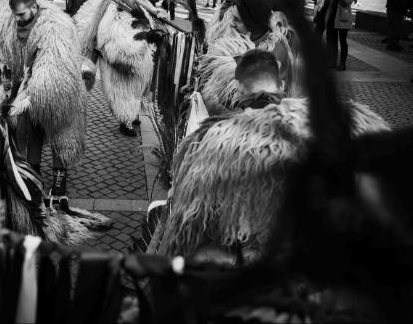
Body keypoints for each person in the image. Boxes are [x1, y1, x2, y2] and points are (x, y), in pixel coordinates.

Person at [156, 47, 389, 262]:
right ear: (282, 84)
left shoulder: (218, 144)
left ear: (238, 89)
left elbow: (189, 230)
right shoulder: (342, 126)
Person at [0, 0, 86, 197]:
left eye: (21, 15)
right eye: (15, 15)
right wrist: (3, 72)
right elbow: (0, 48)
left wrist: (28, 98)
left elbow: (53, 66)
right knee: (32, 132)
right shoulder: (10, 24)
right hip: (25, 89)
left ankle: (59, 177)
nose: (17, 19)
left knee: (60, 133)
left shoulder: (56, 27)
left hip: (59, 90)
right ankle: (32, 173)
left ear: (34, 7)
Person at [74, 0, 157, 137]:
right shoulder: (112, 9)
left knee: (135, 90)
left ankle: (132, 116)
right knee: (123, 93)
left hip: (136, 57)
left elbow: (146, 23)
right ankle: (125, 122)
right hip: (119, 61)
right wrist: (128, 48)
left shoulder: (135, 5)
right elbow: (105, 35)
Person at [323, 0, 355, 70]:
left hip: (342, 19)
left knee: (342, 42)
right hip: (332, 18)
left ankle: (342, 64)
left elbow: (348, 2)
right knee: (331, 42)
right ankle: (331, 62)